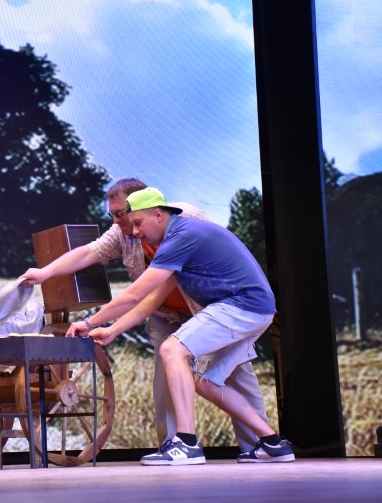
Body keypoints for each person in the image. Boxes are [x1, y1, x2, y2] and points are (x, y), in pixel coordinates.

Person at [21, 178, 269, 453]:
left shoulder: (186, 221)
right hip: (166, 313)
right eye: (113, 215)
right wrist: (45, 273)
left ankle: (259, 445)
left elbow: (137, 294)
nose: (119, 222)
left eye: (122, 214)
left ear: (150, 209)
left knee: (235, 374)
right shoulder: (123, 232)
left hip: (210, 309)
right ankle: (176, 445)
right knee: (169, 375)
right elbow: (93, 256)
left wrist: (91, 322)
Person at [79, 187, 294, 465]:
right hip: (258, 309)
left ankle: (187, 444)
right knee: (206, 383)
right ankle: (273, 443)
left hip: (241, 305)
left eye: (138, 223)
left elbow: (134, 295)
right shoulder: (180, 236)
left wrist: (88, 322)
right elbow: (148, 303)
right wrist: (111, 330)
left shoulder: (181, 236)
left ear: (158, 214)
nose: (135, 232)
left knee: (172, 350)